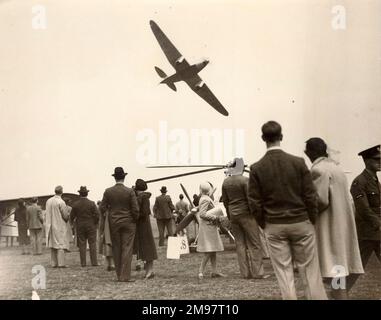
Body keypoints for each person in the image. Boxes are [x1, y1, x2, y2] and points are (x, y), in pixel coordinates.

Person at [248, 121, 327, 300]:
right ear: (281, 137)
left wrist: (265, 223)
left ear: (263, 138)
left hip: (274, 225)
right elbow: (310, 196)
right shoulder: (298, 163)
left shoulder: (257, 168)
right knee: (310, 272)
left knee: (284, 274)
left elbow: (254, 202)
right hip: (301, 223)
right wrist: (311, 219)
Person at [305, 138, 364, 299]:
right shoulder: (337, 169)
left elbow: (321, 200)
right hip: (341, 228)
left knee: (334, 270)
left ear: (310, 153)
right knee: (339, 271)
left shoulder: (318, 170)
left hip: (328, 227)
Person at [222, 168, 268, 279]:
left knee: (240, 245)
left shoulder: (226, 182)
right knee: (254, 244)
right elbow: (250, 199)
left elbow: (225, 201)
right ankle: (258, 273)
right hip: (247, 215)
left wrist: (229, 215)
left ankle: (245, 273)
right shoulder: (245, 180)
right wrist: (255, 214)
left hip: (233, 216)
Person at [347, 144, 381, 290]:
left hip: (377, 232)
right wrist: (379, 223)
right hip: (367, 233)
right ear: (366, 161)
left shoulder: (375, 181)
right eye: (376, 160)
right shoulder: (359, 182)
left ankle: (338, 290)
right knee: (355, 268)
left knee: (356, 268)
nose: (380, 162)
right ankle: (338, 290)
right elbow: (363, 209)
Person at [100, 167, 139, 282]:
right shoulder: (130, 191)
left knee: (116, 248)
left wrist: (109, 215)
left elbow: (102, 207)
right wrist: (134, 220)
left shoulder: (108, 191)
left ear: (115, 177)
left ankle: (119, 275)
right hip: (128, 223)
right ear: (124, 177)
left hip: (114, 223)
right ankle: (125, 276)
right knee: (127, 248)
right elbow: (135, 209)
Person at [197, 182, 225, 280]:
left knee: (213, 250)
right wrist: (216, 217)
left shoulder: (203, 198)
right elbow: (202, 214)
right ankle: (200, 271)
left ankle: (214, 271)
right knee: (209, 251)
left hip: (209, 226)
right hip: (208, 227)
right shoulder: (205, 199)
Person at [133, 179, 158, 279]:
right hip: (142, 224)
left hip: (143, 224)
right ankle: (149, 271)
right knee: (145, 248)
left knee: (147, 247)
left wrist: (135, 215)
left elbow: (144, 212)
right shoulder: (142, 196)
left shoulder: (143, 197)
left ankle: (149, 271)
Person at [70, 186, 99, 267]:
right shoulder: (92, 203)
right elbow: (97, 215)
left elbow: (72, 216)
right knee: (92, 243)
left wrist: (72, 224)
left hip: (80, 226)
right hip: (91, 225)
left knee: (82, 244)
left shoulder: (75, 204)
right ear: (87, 193)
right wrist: (94, 223)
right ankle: (94, 262)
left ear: (80, 194)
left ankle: (83, 263)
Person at [45, 186, 70, 268]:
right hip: (59, 225)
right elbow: (65, 216)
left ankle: (53, 263)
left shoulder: (49, 201)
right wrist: (68, 217)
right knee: (60, 244)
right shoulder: (61, 202)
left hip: (50, 225)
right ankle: (61, 263)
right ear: (61, 192)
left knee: (52, 244)